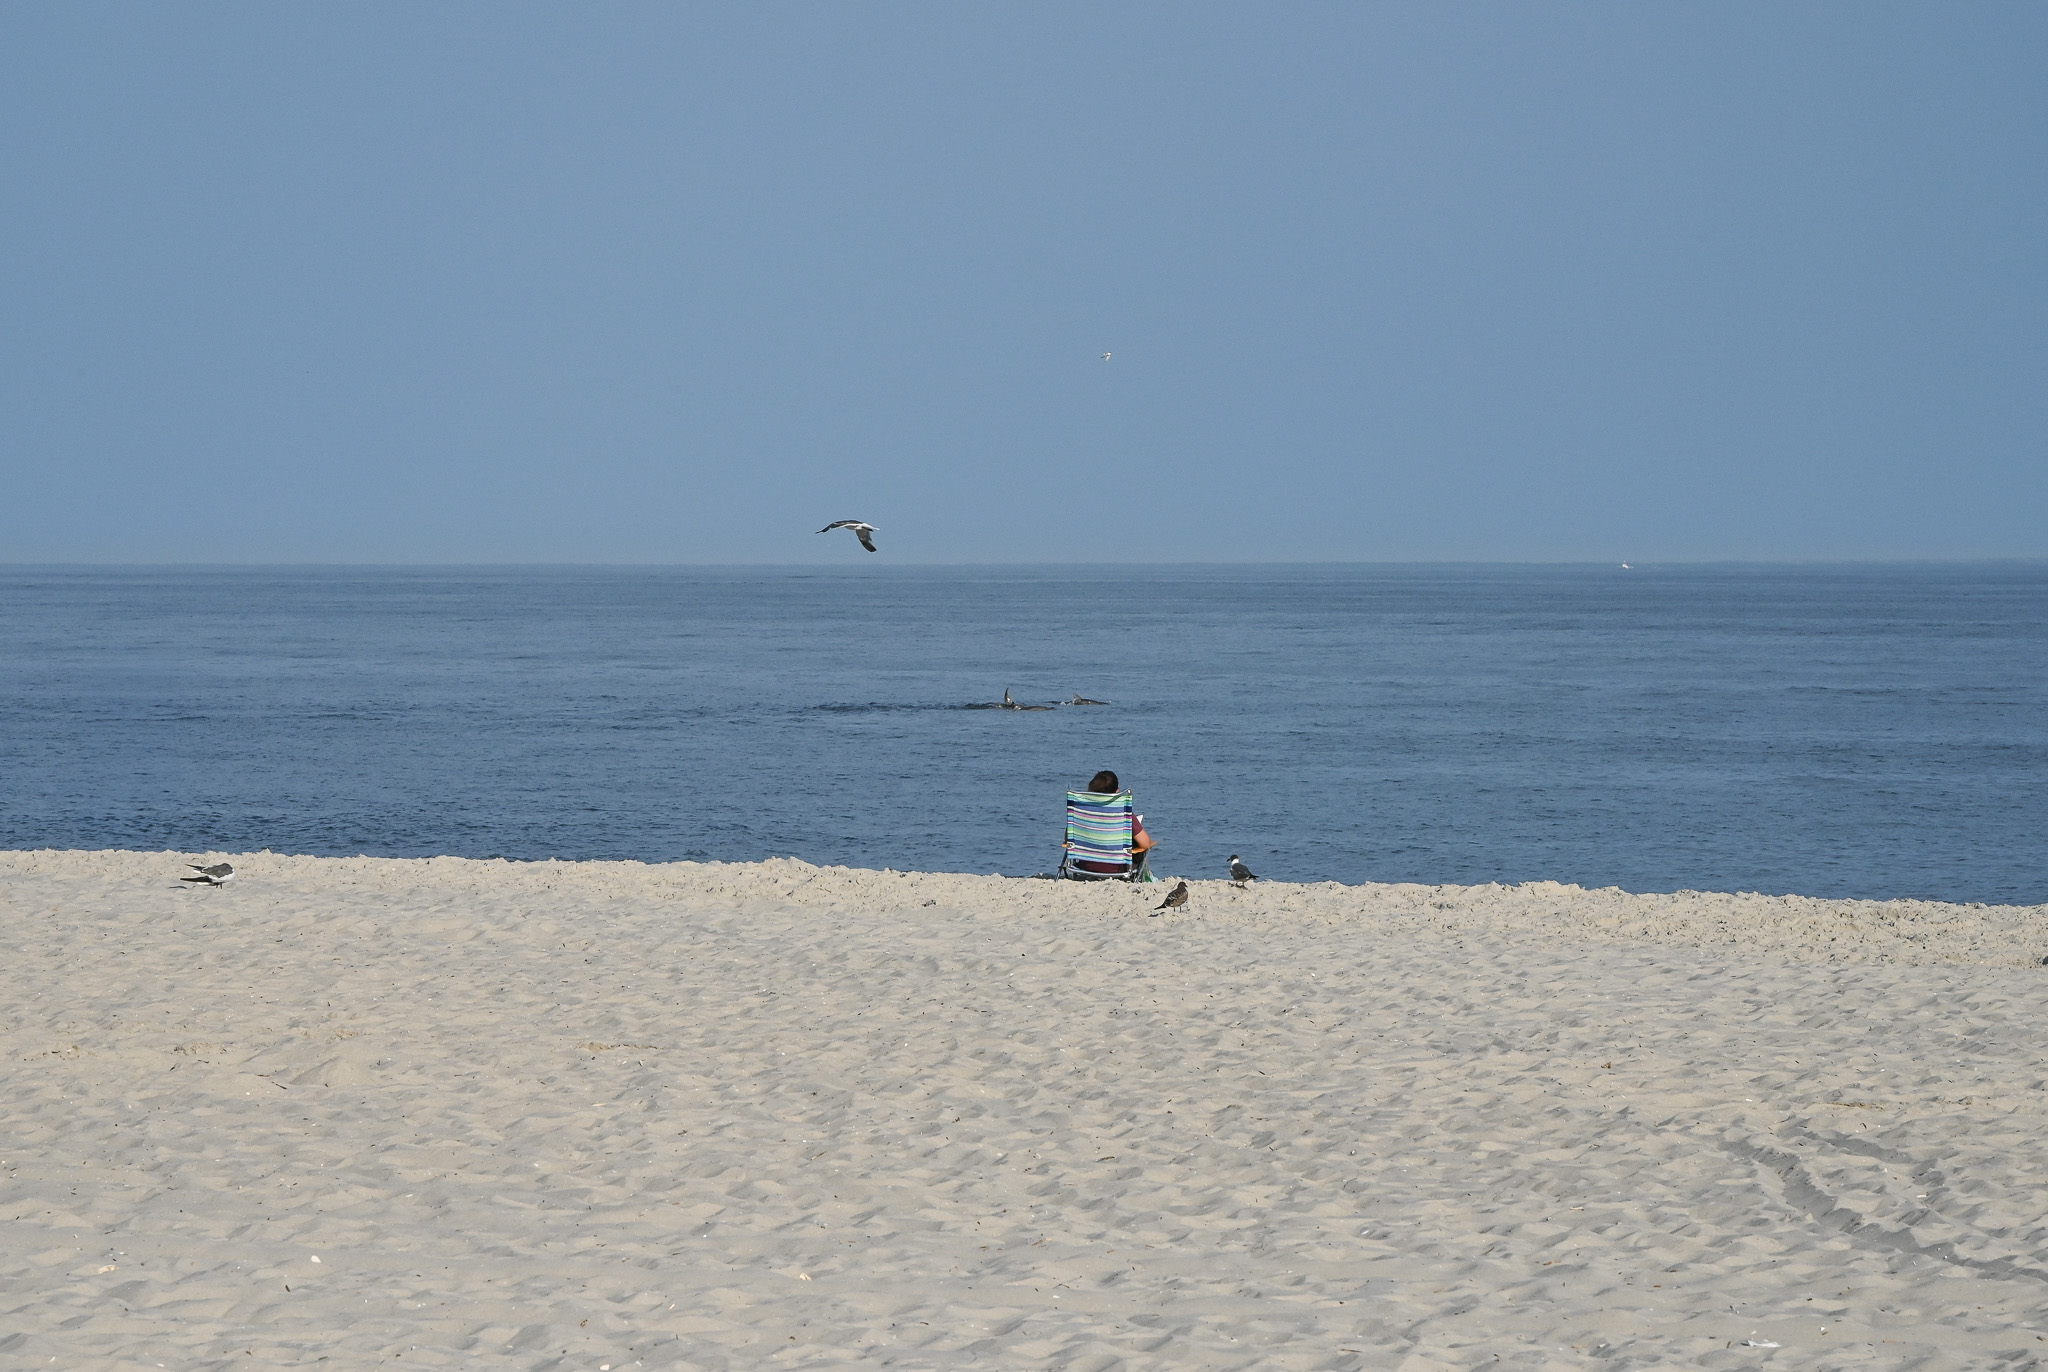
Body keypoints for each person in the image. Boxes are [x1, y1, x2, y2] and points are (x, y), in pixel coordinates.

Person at [1072, 769, 1156, 876]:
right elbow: (1146, 843)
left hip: (1085, 866)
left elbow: (1068, 838)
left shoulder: (1080, 811)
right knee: (1140, 848)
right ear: (1116, 791)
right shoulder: (1124, 812)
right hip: (1118, 869)